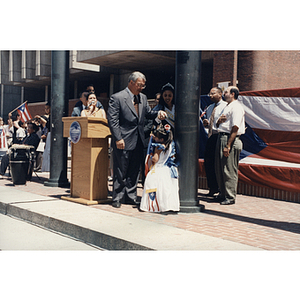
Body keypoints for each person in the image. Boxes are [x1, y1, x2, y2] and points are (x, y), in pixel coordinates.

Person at [107, 71, 166, 208]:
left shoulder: (143, 98)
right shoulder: (117, 98)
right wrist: (118, 138)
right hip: (123, 139)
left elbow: (148, 114)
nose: (141, 88)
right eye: (139, 85)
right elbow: (113, 120)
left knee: (134, 171)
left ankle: (131, 196)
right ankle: (118, 197)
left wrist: (158, 113)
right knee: (121, 170)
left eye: (143, 86)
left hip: (139, 140)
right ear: (131, 83)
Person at [214, 86, 245, 205]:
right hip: (221, 136)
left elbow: (235, 128)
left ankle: (230, 196)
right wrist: (219, 121)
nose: (224, 94)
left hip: (230, 139)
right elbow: (220, 125)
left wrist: (228, 145)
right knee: (220, 168)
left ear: (232, 94)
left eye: (226, 92)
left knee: (229, 169)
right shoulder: (227, 107)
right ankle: (223, 193)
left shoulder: (237, 107)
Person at [140, 123, 179, 213]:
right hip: (170, 170)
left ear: (161, 139)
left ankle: (157, 206)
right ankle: (169, 206)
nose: (154, 138)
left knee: (157, 188)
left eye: (156, 137)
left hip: (160, 168)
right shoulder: (171, 144)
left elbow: (155, 159)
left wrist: (151, 156)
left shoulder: (158, 147)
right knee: (168, 190)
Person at [202, 87, 227, 197]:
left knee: (219, 163)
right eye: (209, 94)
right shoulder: (210, 107)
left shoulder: (226, 106)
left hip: (220, 136)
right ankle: (212, 188)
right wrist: (206, 122)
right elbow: (209, 122)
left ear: (220, 94)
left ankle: (221, 189)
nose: (210, 96)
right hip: (211, 137)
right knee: (208, 162)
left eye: (213, 93)